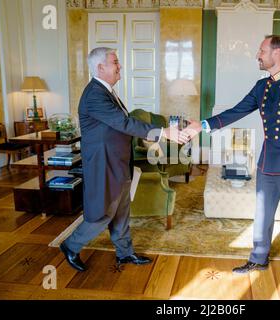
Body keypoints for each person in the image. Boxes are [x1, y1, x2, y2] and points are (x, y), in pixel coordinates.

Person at [184, 35, 280, 284]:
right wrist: (203, 125)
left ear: (277, 54)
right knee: (262, 213)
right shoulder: (263, 86)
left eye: (261, 50)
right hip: (267, 161)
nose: (257, 55)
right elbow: (237, 110)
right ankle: (258, 258)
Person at [60, 47, 189, 272]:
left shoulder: (107, 91)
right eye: (115, 62)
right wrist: (164, 132)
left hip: (118, 162)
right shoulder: (95, 95)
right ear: (101, 68)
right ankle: (70, 246)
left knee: (121, 211)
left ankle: (125, 253)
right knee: (102, 213)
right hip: (104, 165)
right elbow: (126, 124)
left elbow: (122, 125)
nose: (120, 66)